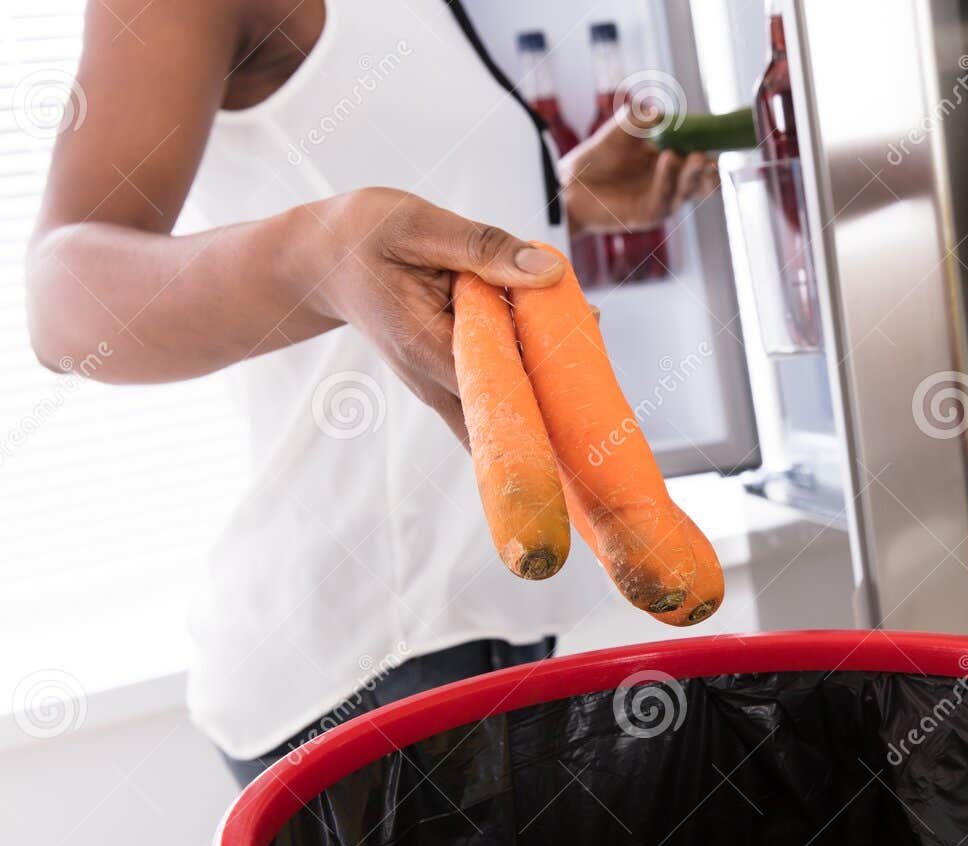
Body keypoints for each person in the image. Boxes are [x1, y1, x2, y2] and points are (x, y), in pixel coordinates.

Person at [24, 0, 716, 784]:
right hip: (362, 665)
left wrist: (562, 200)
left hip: (487, 620)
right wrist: (312, 258)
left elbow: (409, 226)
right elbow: (60, 302)